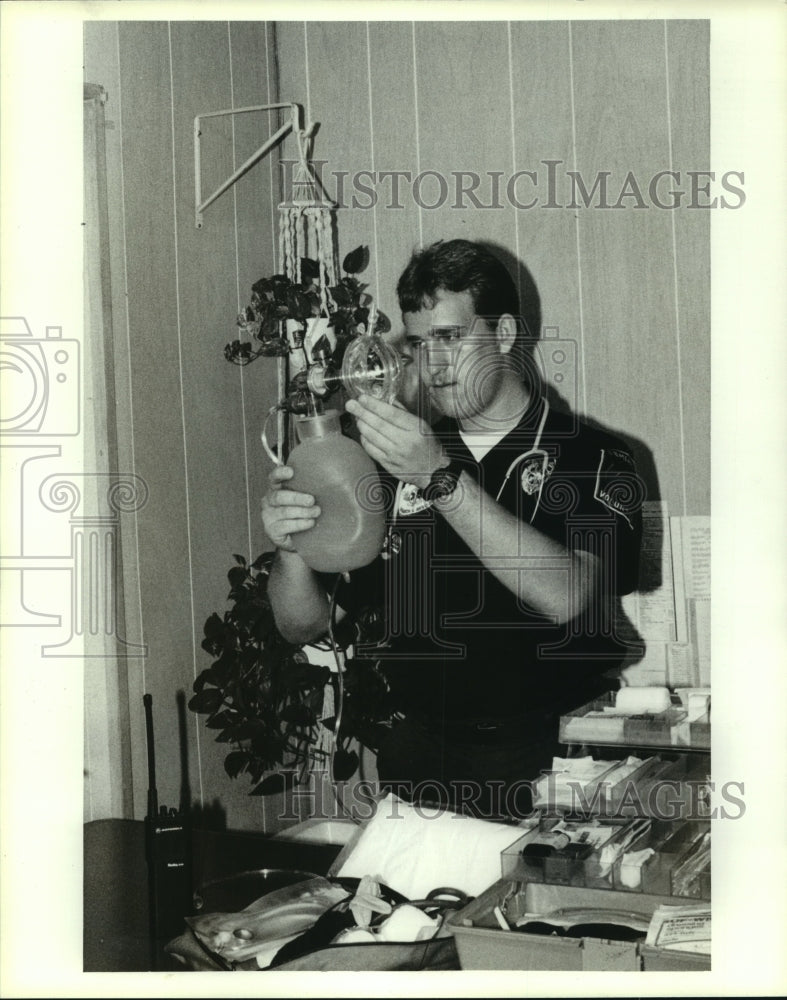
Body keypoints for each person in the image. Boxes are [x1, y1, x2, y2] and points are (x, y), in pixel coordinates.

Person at [262, 239, 643, 819]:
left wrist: (439, 478)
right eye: (417, 342)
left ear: (506, 335)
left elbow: (567, 596)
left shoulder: (594, 457)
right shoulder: (392, 465)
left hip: (556, 756)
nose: (433, 365)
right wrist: (291, 546)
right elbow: (306, 623)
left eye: (451, 336)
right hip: (421, 754)